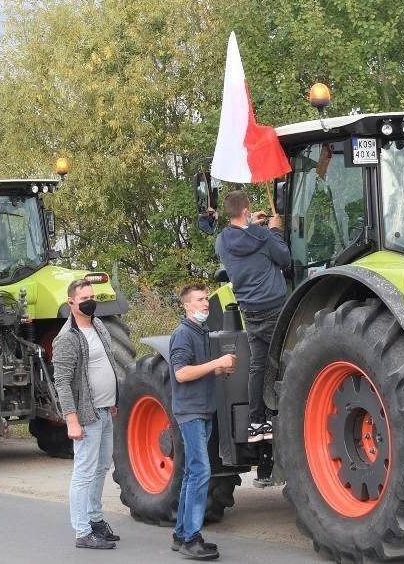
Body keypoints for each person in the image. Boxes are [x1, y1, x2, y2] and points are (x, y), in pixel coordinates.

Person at [214, 190, 290, 451]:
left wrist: (251, 226)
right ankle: (288, 417)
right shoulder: (265, 236)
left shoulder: (222, 242)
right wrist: (275, 230)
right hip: (275, 306)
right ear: (246, 211)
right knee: (285, 361)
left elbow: (242, 239)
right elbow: (285, 259)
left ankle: (257, 422)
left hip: (250, 311)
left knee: (258, 364)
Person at [52, 279, 122, 550]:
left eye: (92, 297)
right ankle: (83, 531)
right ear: (71, 303)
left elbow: (108, 362)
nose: (90, 302)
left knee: (102, 466)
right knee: (84, 472)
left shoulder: (99, 325)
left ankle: (95, 520)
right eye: (84, 299)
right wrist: (72, 419)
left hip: (106, 410)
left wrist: (113, 399)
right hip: (86, 416)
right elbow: (62, 383)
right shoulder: (67, 339)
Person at [169, 283, 235, 560]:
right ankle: (191, 539)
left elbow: (197, 372)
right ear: (187, 306)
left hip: (202, 410)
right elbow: (181, 373)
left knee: (191, 473)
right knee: (200, 472)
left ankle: (182, 533)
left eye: (206, 298)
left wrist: (217, 369)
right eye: (200, 300)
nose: (206, 303)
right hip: (191, 412)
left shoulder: (202, 332)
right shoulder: (183, 334)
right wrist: (215, 363)